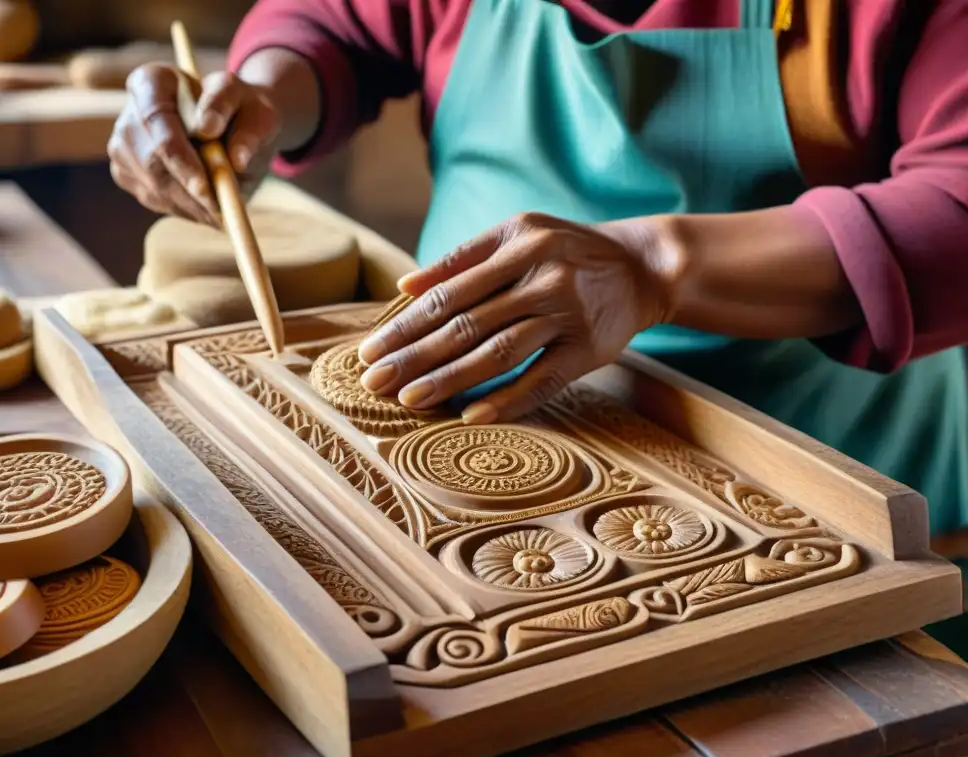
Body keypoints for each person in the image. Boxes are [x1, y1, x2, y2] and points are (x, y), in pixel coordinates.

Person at [107, 0, 968, 541]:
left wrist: (653, 264)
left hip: (824, 469)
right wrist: (258, 99)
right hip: (484, 427)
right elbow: (335, 23)